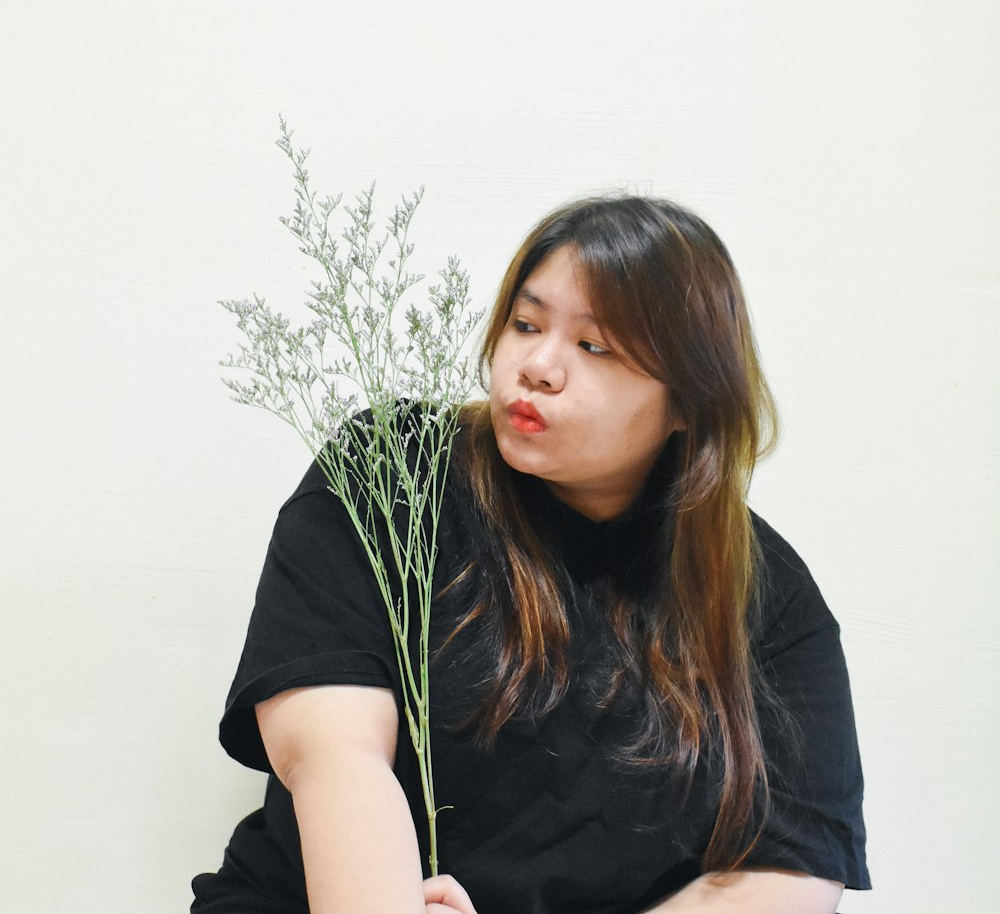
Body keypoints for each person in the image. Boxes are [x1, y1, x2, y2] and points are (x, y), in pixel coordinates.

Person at [191, 195, 870, 914]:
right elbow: (330, 753)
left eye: (595, 345)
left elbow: (790, 872)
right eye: (526, 323)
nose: (538, 364)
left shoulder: (761, 591)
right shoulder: (393, 474)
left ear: (687, 403)